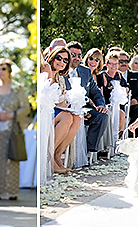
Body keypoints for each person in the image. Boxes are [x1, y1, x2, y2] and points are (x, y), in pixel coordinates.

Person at [0, 58, 31, 200]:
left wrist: (11, 115)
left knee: (12, 160)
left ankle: (12, 193)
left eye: (3, 68)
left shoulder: (17, 88)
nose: (0, 71)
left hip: (13, 130)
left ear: (9, 70)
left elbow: (26, 108)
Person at [65, 41, 109, 157]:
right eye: (73, 54)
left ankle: (89, 151)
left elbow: (96, 92)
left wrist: (100, 105)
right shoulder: (60, 70)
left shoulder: (85, 71)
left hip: (85, 108)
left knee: (102, 116)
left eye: (79, 55)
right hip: (66, 108)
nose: (76, 58)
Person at [46, 46, 79, 174]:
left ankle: (57, 155)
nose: (61, 62)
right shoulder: (45, 73)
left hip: (56, 109)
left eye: (65, 60)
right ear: (52, 57)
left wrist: (65, 104)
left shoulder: (60, 78)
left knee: (77, 119)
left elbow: (61, 98)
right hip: (46, 111)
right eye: (58, 58)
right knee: (67, 117)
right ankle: (49, 157)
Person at [97, 51, 128, 132]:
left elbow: (127, 88)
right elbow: (100, 93)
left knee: (122, 114)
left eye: (115, 64)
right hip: (106, 104)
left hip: (117, 105)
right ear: (107, 64)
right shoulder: (102, 76)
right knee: (110, 114)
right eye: (111, 63)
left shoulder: (119, 75)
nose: (113, 66)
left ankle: (118, 135)